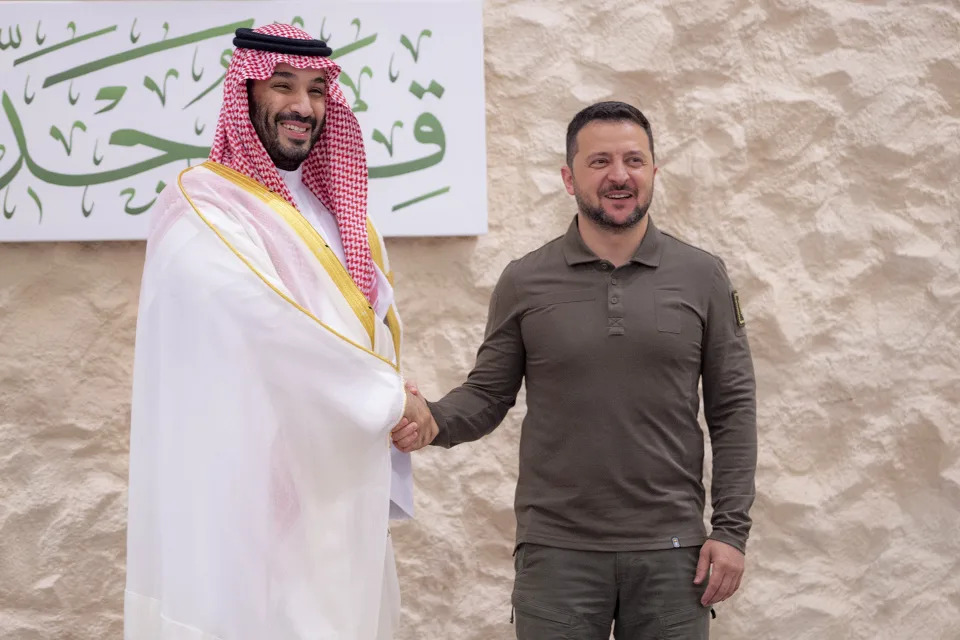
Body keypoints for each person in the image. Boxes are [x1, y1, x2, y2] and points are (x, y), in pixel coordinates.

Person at [393, 101, 757, 639]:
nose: (619, 175)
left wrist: (730, 531)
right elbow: (488, 396)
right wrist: (432, 419)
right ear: (568, 177)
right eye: (599, 161)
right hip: (556, 554)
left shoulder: (702, 276)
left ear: (654, 171)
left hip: (671, 554)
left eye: (634, 160)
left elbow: (733, 410)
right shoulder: (525, 280)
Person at [125, 24, 413, 640]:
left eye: (315, 90)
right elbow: (268, 327)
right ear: (245, 92)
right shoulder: (201, 204)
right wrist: (386, 398)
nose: (302, 107)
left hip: (335, 491)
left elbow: (369, 325)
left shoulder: (338, 212)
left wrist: (395, 396)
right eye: (282, 85)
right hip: (247, 494)